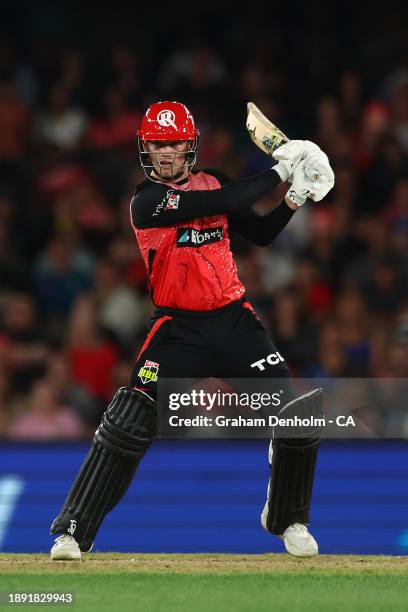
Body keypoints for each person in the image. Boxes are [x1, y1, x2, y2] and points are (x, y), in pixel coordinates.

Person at [50, 101, 334, 560]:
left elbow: (258, 233)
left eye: (174, 143)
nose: (165, 153)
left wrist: (294, 197)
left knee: (294, 410)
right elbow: (219, 203)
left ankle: (288, 519)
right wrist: (281, 169)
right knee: (130, 419)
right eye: (157, 144)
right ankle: (74, 532)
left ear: (190, 146)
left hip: (234, 320)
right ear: (145, 148)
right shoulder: (146, 201)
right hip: (177, 329)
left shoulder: (217, 180)